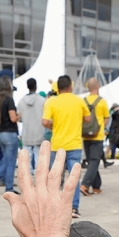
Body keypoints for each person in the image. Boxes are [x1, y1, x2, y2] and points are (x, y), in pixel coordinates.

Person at [42, 74, 87, 214]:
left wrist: (53, 126)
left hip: (57, 145)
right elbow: (88, 118)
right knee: (73, 178)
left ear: (58, 88)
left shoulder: (51, 102)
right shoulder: (79, 101)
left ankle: (53, 208)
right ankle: (74, 208)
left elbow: (44, 122)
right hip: (74, 145)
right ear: (70, 87)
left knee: (54, 178)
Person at [0, 73, 20, 194]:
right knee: (10, 161)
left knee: (6, 160)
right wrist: (20, 115)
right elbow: (13, 118)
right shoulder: (9, 99)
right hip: (10, 133)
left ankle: (3, 184)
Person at [80, 77, 108, 194]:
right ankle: (85, 185)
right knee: (94, 161)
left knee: (92, 160)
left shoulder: (83, 101)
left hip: (85, 136)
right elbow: (106, 119)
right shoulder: (101, 101)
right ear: (98, 87)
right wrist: (99, 127)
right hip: (97, 136)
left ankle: (96, 186)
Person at [17, 77, 46, 174]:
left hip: (26, 133)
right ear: (36, 86)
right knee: (38, 155)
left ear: (27, 87)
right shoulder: (42, 100)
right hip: (39, 133)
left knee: (26, 157)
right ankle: (39, 176)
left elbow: (19, 118)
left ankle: (26, 177)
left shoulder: (21, 101)